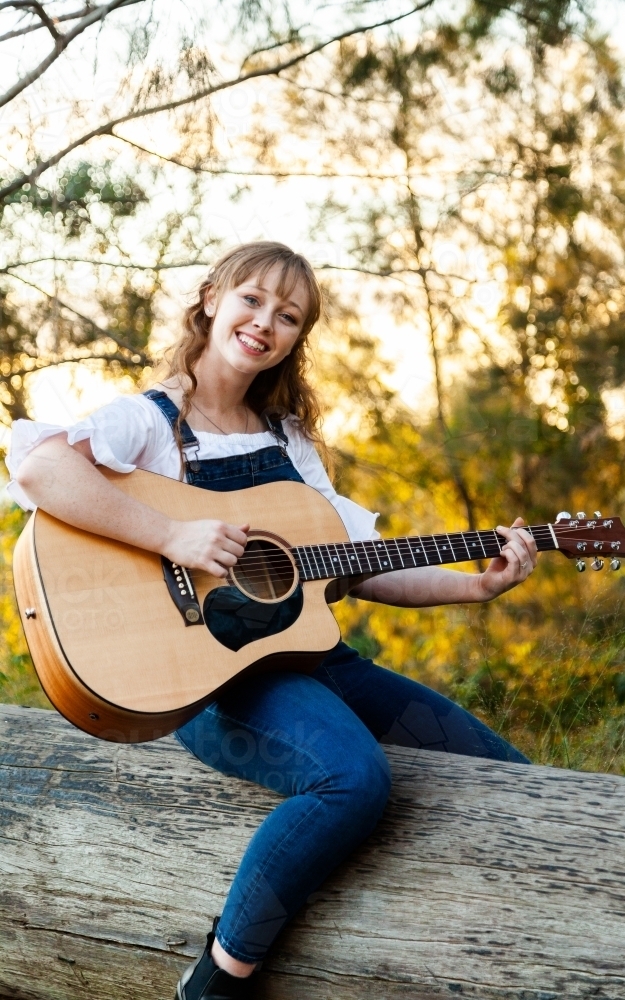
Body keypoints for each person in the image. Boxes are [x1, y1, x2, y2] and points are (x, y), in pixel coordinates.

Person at [8, 242, 537, 1000]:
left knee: (505, 776)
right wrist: (174, 536)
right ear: (211, 299)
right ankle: (217, 980)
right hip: (209, 681)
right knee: (351, 779)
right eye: (252, 300)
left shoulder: (287, 442)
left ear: (295, 338)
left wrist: (474, 588)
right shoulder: (149, 421)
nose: (265, 323)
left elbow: (354, 563)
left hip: (310, 660)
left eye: (287, 316)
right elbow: (39, 470)